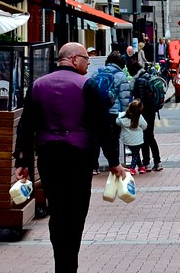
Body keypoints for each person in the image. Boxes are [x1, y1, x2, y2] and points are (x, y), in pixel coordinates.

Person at [14, 43, 126, 273]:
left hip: (48, 156)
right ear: (74, 59)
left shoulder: (37, 85)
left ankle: (60, 263)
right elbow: (103, 126)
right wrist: (114, 162)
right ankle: (69, 265)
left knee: (58, 209)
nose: (88, 64)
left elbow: (26, 126)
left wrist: (22, 163)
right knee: (75, 212)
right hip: (79, 157)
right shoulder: (87, 85)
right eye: (86, 58)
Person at [132, 64, 164, 171]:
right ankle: (157, 161)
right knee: (150, 136)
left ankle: (146, 163)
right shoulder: (148, 76)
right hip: (152, 111)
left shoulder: (139, 81)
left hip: (143, 112)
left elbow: (139, 99)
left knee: (145, 137)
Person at [117, 98, 148, 174]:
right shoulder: (139, 117)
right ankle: (132, 168)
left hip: (127, 139)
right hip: (137, 140)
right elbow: (145, 126)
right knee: (135, 154)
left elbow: (117, 122)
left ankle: (141, 167)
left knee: (135, 153)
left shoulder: (122, 116)